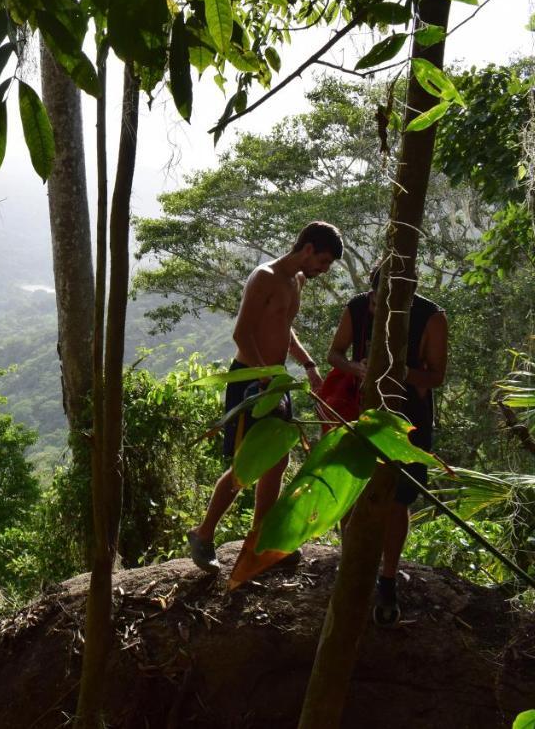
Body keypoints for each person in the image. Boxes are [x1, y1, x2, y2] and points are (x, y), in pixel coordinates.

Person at [187, 221, 343, 574]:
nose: (323, 269)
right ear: (307, 249)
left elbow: (284, 329)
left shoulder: (296, 281)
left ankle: (261, 540)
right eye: (323, 261)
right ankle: (203, 533)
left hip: (275, 381)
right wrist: (262, 376)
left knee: (278, 461)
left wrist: (308, 365)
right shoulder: (265, 276)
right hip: (251, 382)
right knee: (248, 464)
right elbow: (241, 333)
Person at [327, 265, 448, 626]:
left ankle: (388, 578)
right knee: (350, 491)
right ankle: (349, 568)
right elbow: (335, 353)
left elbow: (437, 376)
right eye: (378, 302)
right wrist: (357, 368)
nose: (381, 310)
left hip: (407, 418)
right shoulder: (358, 307)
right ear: (373, 294)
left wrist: (399, 371)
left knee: (399, 497)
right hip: (359, 410)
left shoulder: (431, 317)